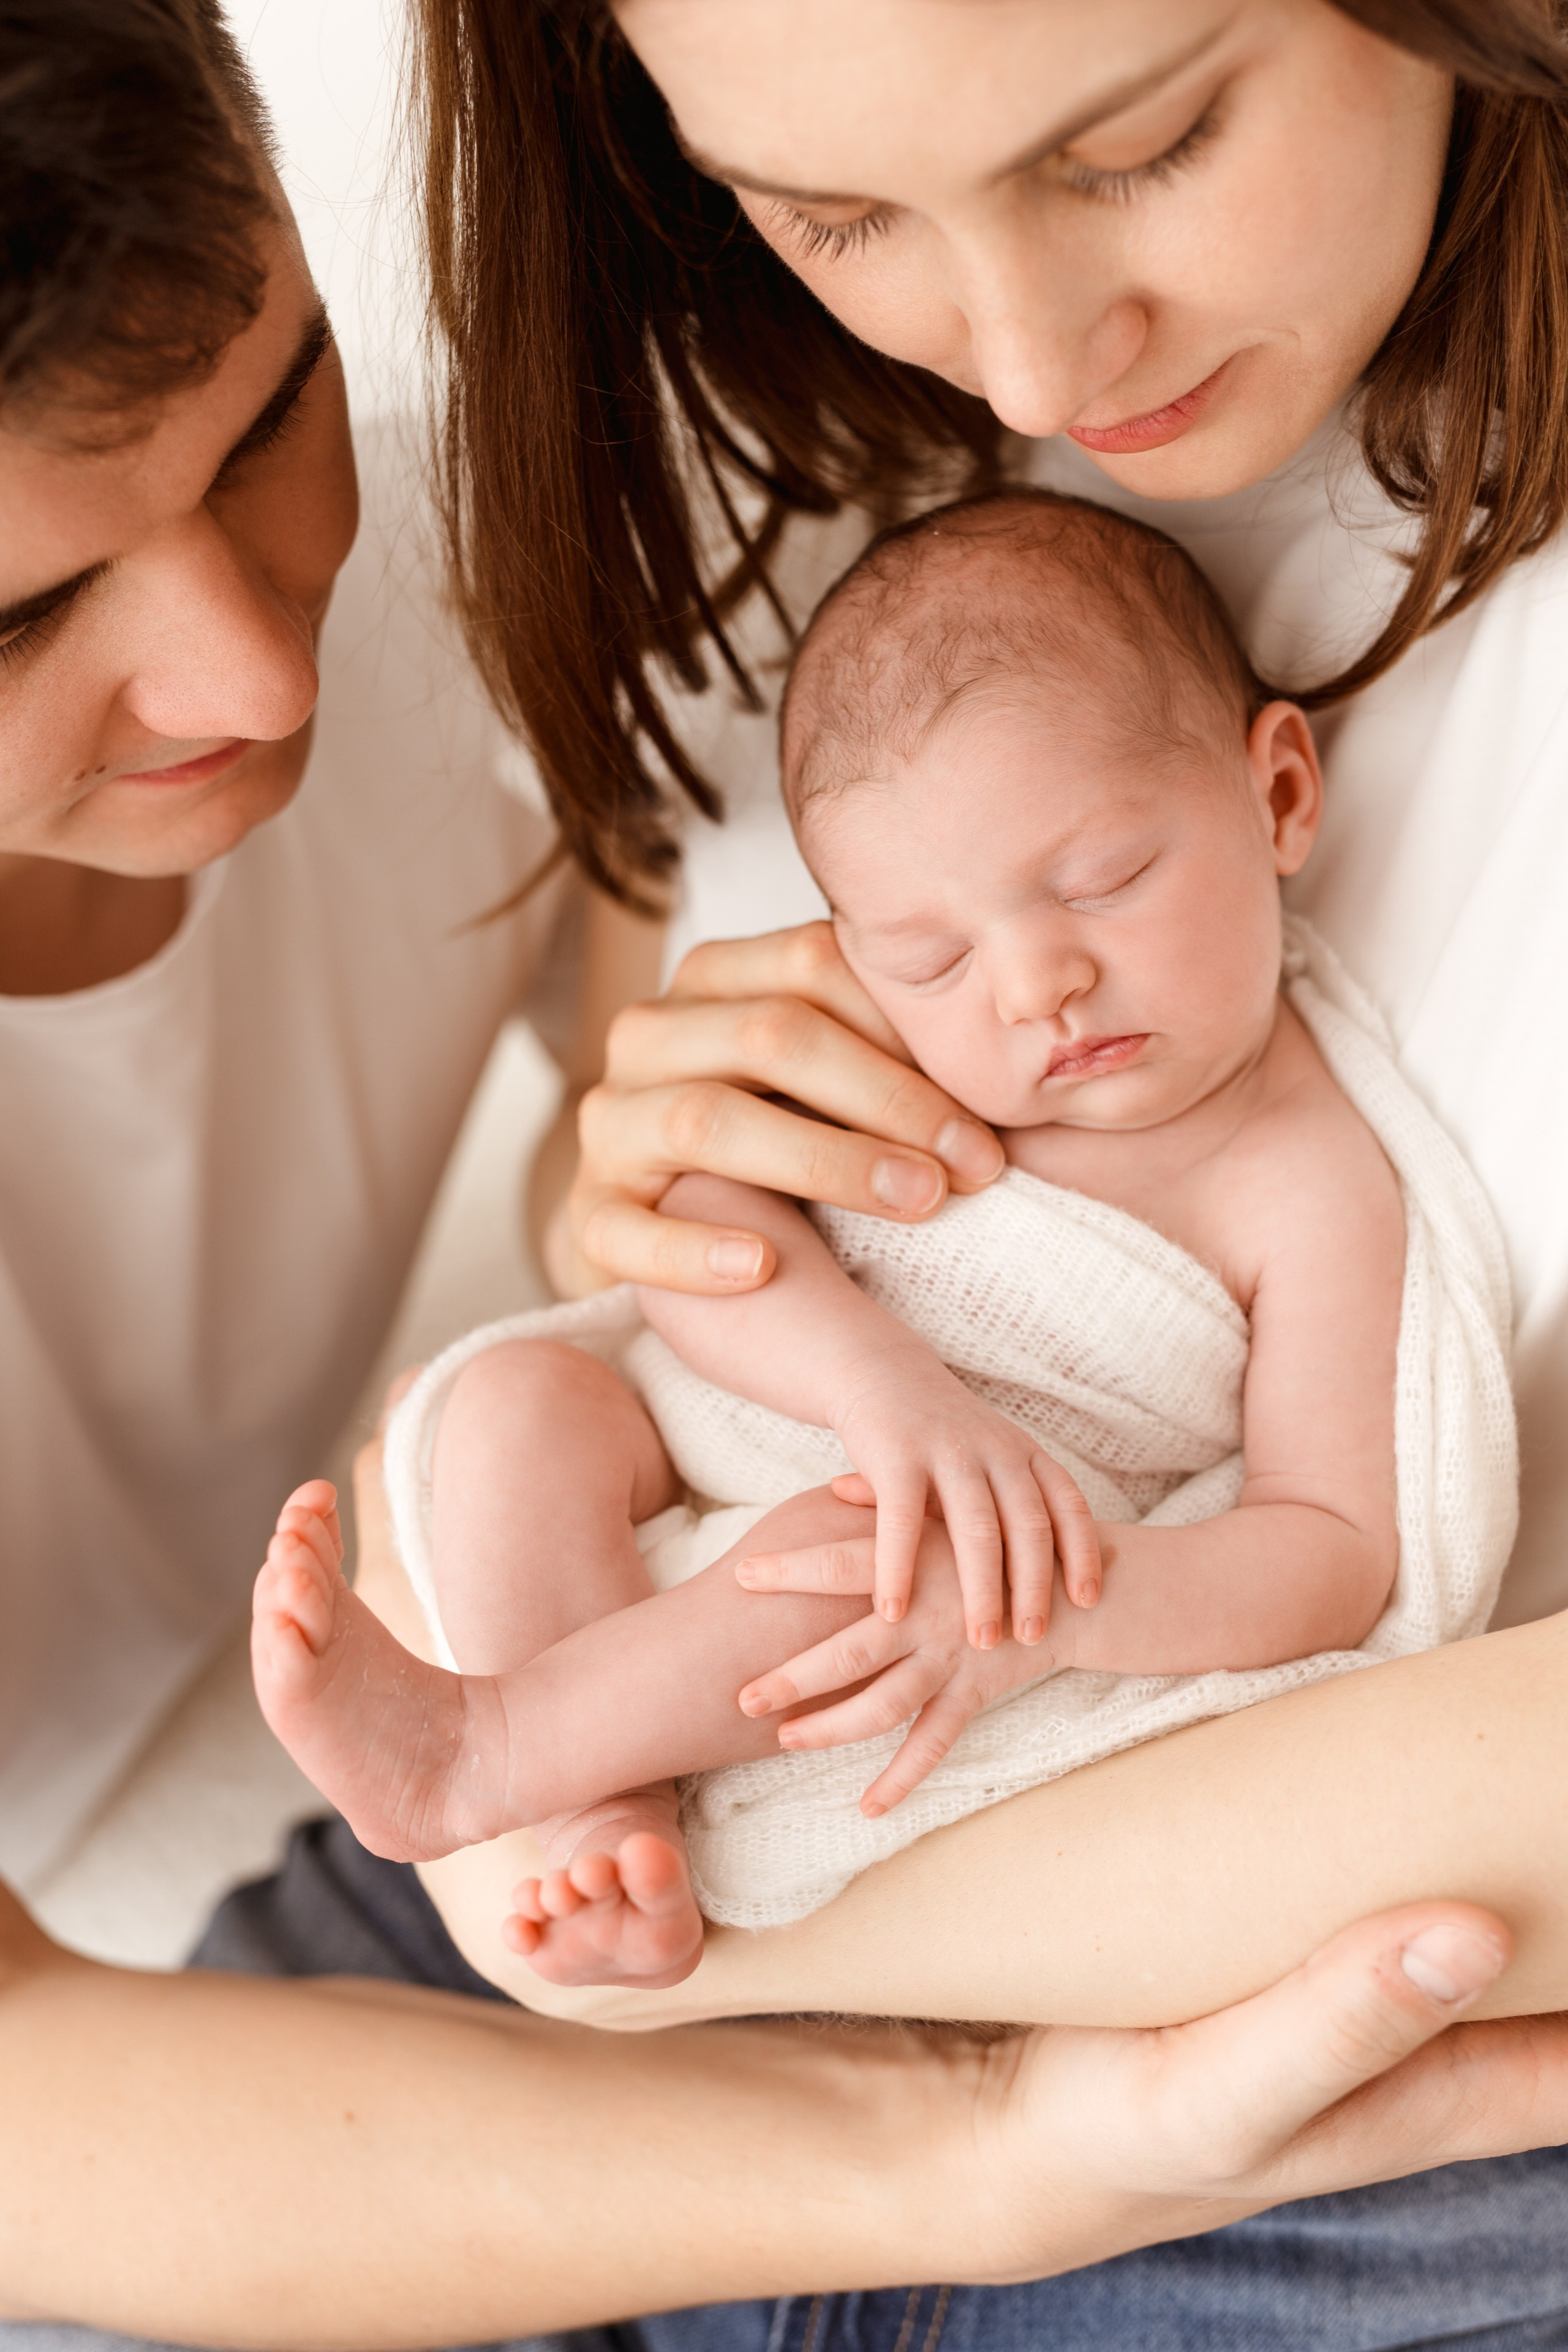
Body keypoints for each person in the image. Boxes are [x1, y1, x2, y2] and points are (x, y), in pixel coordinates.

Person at [8, 4, 1548, 2346]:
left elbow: (629, 1209)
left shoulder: (572, 553)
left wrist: (674, 1224)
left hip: (1014, 1916)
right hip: (415, 2006)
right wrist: (922, 2131)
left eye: (271, 416)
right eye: (15, 621)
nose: (252, 675)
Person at [252, 483, 1511, 2007]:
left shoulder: (1299, 1179)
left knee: (852, 1565)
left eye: (1103, 879)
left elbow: (1331, 1549)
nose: (1036, 981)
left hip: (958, 1553)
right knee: (523, 1401)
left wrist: (1069, 1602)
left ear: (1279, 798)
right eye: (930, 952)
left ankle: (490, 1751)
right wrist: (880, 1388)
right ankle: (601, 1823)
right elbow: (693, 1223)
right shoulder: (897, 1048)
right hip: (762, 1414)